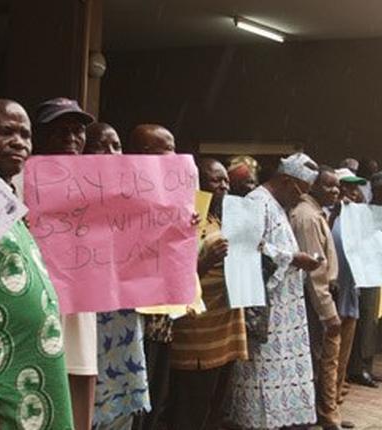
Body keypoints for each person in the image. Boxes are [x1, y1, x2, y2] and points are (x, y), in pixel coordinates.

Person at [0, 99, 74, 430]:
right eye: (6, 132)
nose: (19, 142)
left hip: (36, 376)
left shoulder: (3, 198)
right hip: (5, 387)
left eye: (25, 134)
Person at [225, 153, 322, 430]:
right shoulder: (254, 202)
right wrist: (292, 259)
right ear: (289, 182)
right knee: (260, 378)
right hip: (264, 311)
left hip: (285, 314)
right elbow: (243, 250)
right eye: (302, 193)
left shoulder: (277, 205)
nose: (301, 199)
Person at [167, 158, 248, 430]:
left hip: (225, 329)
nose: (225, 186)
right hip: (198, 336)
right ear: (197, 184)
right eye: (216, 180)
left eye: (226, 180)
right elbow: (171, 281)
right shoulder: (186, 219)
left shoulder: (218, 217)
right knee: (191, 409)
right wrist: (205, 262)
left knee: (214, 407)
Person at [33, 97, 98, 430]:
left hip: (78, 312)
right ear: (41, 137)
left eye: (78, 131)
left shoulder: (98, 185)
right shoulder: (17, 182)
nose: (73, 139)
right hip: (35, 313)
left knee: (76, 404)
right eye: (61, 132)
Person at [87, 123, 150, 430]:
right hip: (87, 320)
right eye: (102, 145)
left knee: (120, 407)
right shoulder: (67, 200)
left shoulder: (136, 200)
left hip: (124, 320)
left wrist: (179, 226)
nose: (112, 153)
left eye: (117, 146)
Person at [290, 165, 351, 430]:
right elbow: (314, 274)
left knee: (322, 359)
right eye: (328, 185)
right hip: (312, 300)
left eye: (337, 186)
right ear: (312, 186)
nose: (335, 190)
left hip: (320, 295)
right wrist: (328, 312)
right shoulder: (308, 217)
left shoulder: (317, 213)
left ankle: (324, 414)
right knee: (316, 360)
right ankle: (316, 417)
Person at [129, 123, 179, 430]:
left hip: (163, 318)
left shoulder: (170, 194)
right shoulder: (123, 196)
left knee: (155, 398)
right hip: (135, 319)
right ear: (145, 154)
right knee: (134, 400)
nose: (175, 155)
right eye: (168, 148)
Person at [346, 172, 382, 389]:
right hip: (364, 274)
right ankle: (358, 368)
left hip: (379, 273)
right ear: (376, 192)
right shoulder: (363, 212)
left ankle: (369, 365)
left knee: (375, 322)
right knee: (365, 322)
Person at [328, 169, 366, 407]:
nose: (353, 192)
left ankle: (337, 393)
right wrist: (335, 213)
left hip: (351, 291)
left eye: (356, 188)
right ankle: (326, 400)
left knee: (344, 350)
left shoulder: (359, 216)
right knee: (329, 352)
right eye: (348, 187)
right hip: (332, 292)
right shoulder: (327, 213)